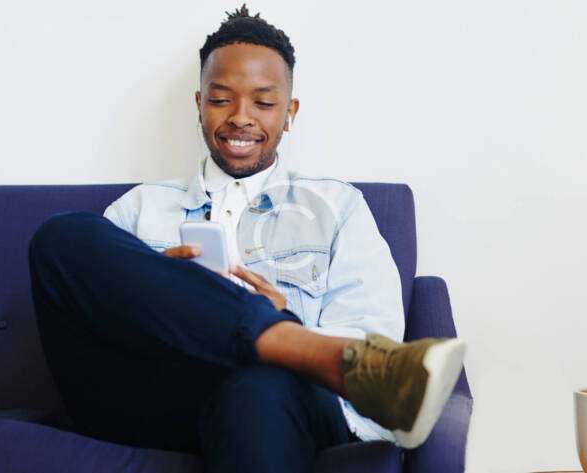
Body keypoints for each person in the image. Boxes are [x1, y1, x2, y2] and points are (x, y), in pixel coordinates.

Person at [27, 5, 466, 473]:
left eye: (263, 103)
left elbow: (369, 332)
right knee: (61, 236)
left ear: (290, 113)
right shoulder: (140, 208)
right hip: (156, 394)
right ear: (199, 104)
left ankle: (288, 347)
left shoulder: (338, 207)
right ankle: (286, 338)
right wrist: (166, 288)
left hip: (280, 398)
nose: (240, 118)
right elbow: (93, 319)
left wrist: (275, 323)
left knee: (259, 387)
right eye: (221, 99)